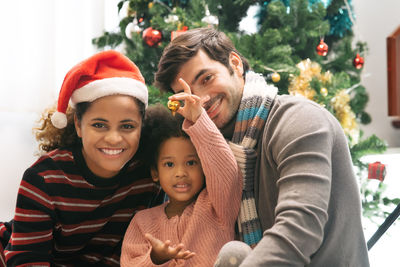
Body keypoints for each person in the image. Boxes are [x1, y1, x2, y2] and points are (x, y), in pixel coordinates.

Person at [154, 27, 370, 266]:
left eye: (207, 79)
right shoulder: (201, 148)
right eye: (188, 94)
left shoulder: (300, 120)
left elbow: (298, 230)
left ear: (234, 64)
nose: (202, 100)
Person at [0, 50, 162, 266]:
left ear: (141, 126)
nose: (114, 138)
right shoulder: (43, 179)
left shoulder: (147, 177)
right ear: (78, 124)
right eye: (99, 125)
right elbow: (26, 260)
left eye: (127, 126)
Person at [120, 78, 242, 266]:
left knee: (238, 252)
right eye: (169, 164)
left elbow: (226, 170)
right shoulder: (143, 222)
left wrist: (199, 120)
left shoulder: (217, 206)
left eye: (191, 162)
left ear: (204, 166)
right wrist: (155, 258)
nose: (180, 173)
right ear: (155, 172)